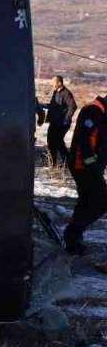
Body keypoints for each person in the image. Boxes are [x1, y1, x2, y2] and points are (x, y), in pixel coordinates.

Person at [67, 95, 107, 255]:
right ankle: (72, 234)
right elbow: (84, 142)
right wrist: (93, 166)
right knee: (100, 202)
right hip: (83, 165)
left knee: (87, 201)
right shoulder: (93, 110)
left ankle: (73, 239)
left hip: (91, 166)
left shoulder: (102, 112)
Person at [45, 75, 77, 166]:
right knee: (50, 140)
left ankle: (67, 161)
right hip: (54, 122)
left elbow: (73, 106)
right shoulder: (55, 92)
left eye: (53, 82)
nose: (51, 83)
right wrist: (44, 106)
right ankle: (52, 161)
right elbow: (53, 105)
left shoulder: (66, 93)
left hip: (62, 123)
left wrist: (67, 118)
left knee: (58, 141)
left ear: (59, 83)